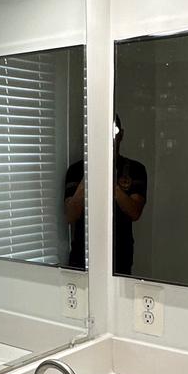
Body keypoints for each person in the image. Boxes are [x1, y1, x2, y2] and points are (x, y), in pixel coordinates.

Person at [63, 116, 147, 275]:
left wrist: (112, 185)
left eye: (112, 131)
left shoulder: (134, 169)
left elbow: (134, 212)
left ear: (121, 134)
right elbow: (70, 215)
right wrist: (90, 174)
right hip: (83, 252)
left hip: (120, 255)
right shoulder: (76, 170)